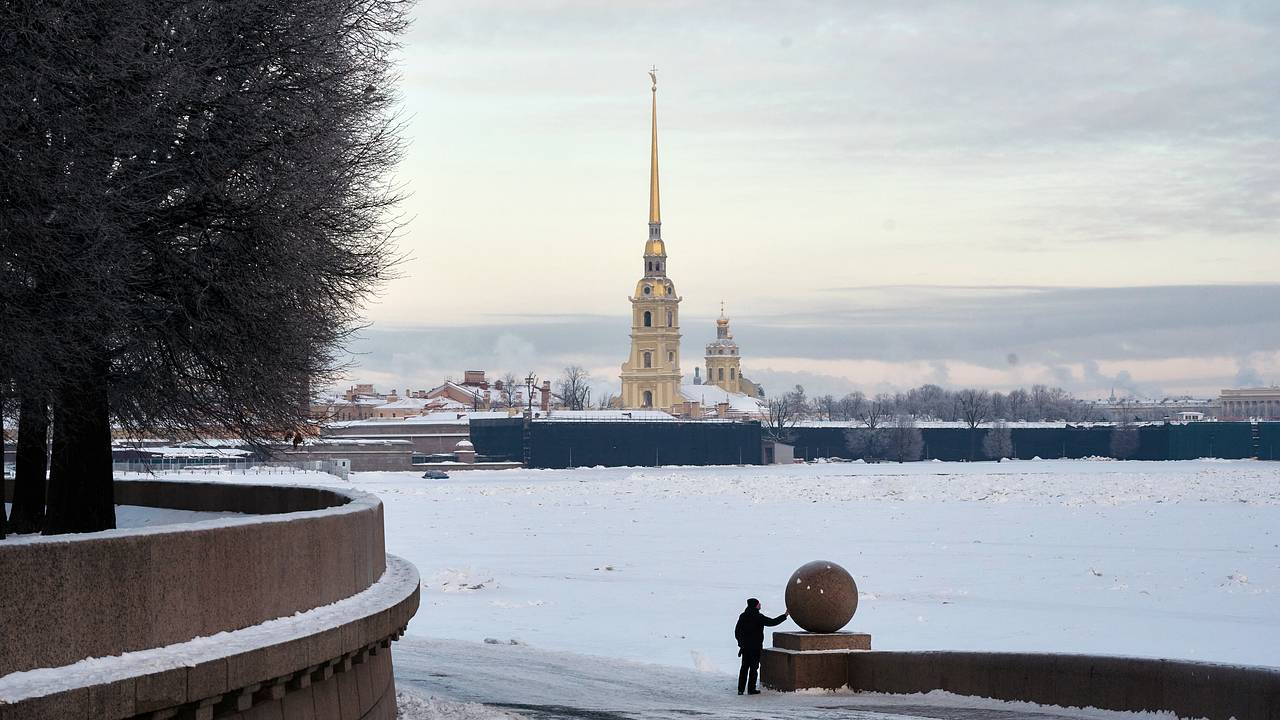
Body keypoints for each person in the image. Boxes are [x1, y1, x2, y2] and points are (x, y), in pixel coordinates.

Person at [734, 597, 788, 695]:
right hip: (755, 648)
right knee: (753, 669)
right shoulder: (758, 617)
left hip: (745, 648)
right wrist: (784, 616)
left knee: (744, 668)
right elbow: (772, 622)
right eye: (759, 604)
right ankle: (751, 689)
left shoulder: (743, 616)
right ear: (755, 605)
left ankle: (740, 690)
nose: (760, 605)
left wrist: (741, 643)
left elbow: (737, 631)